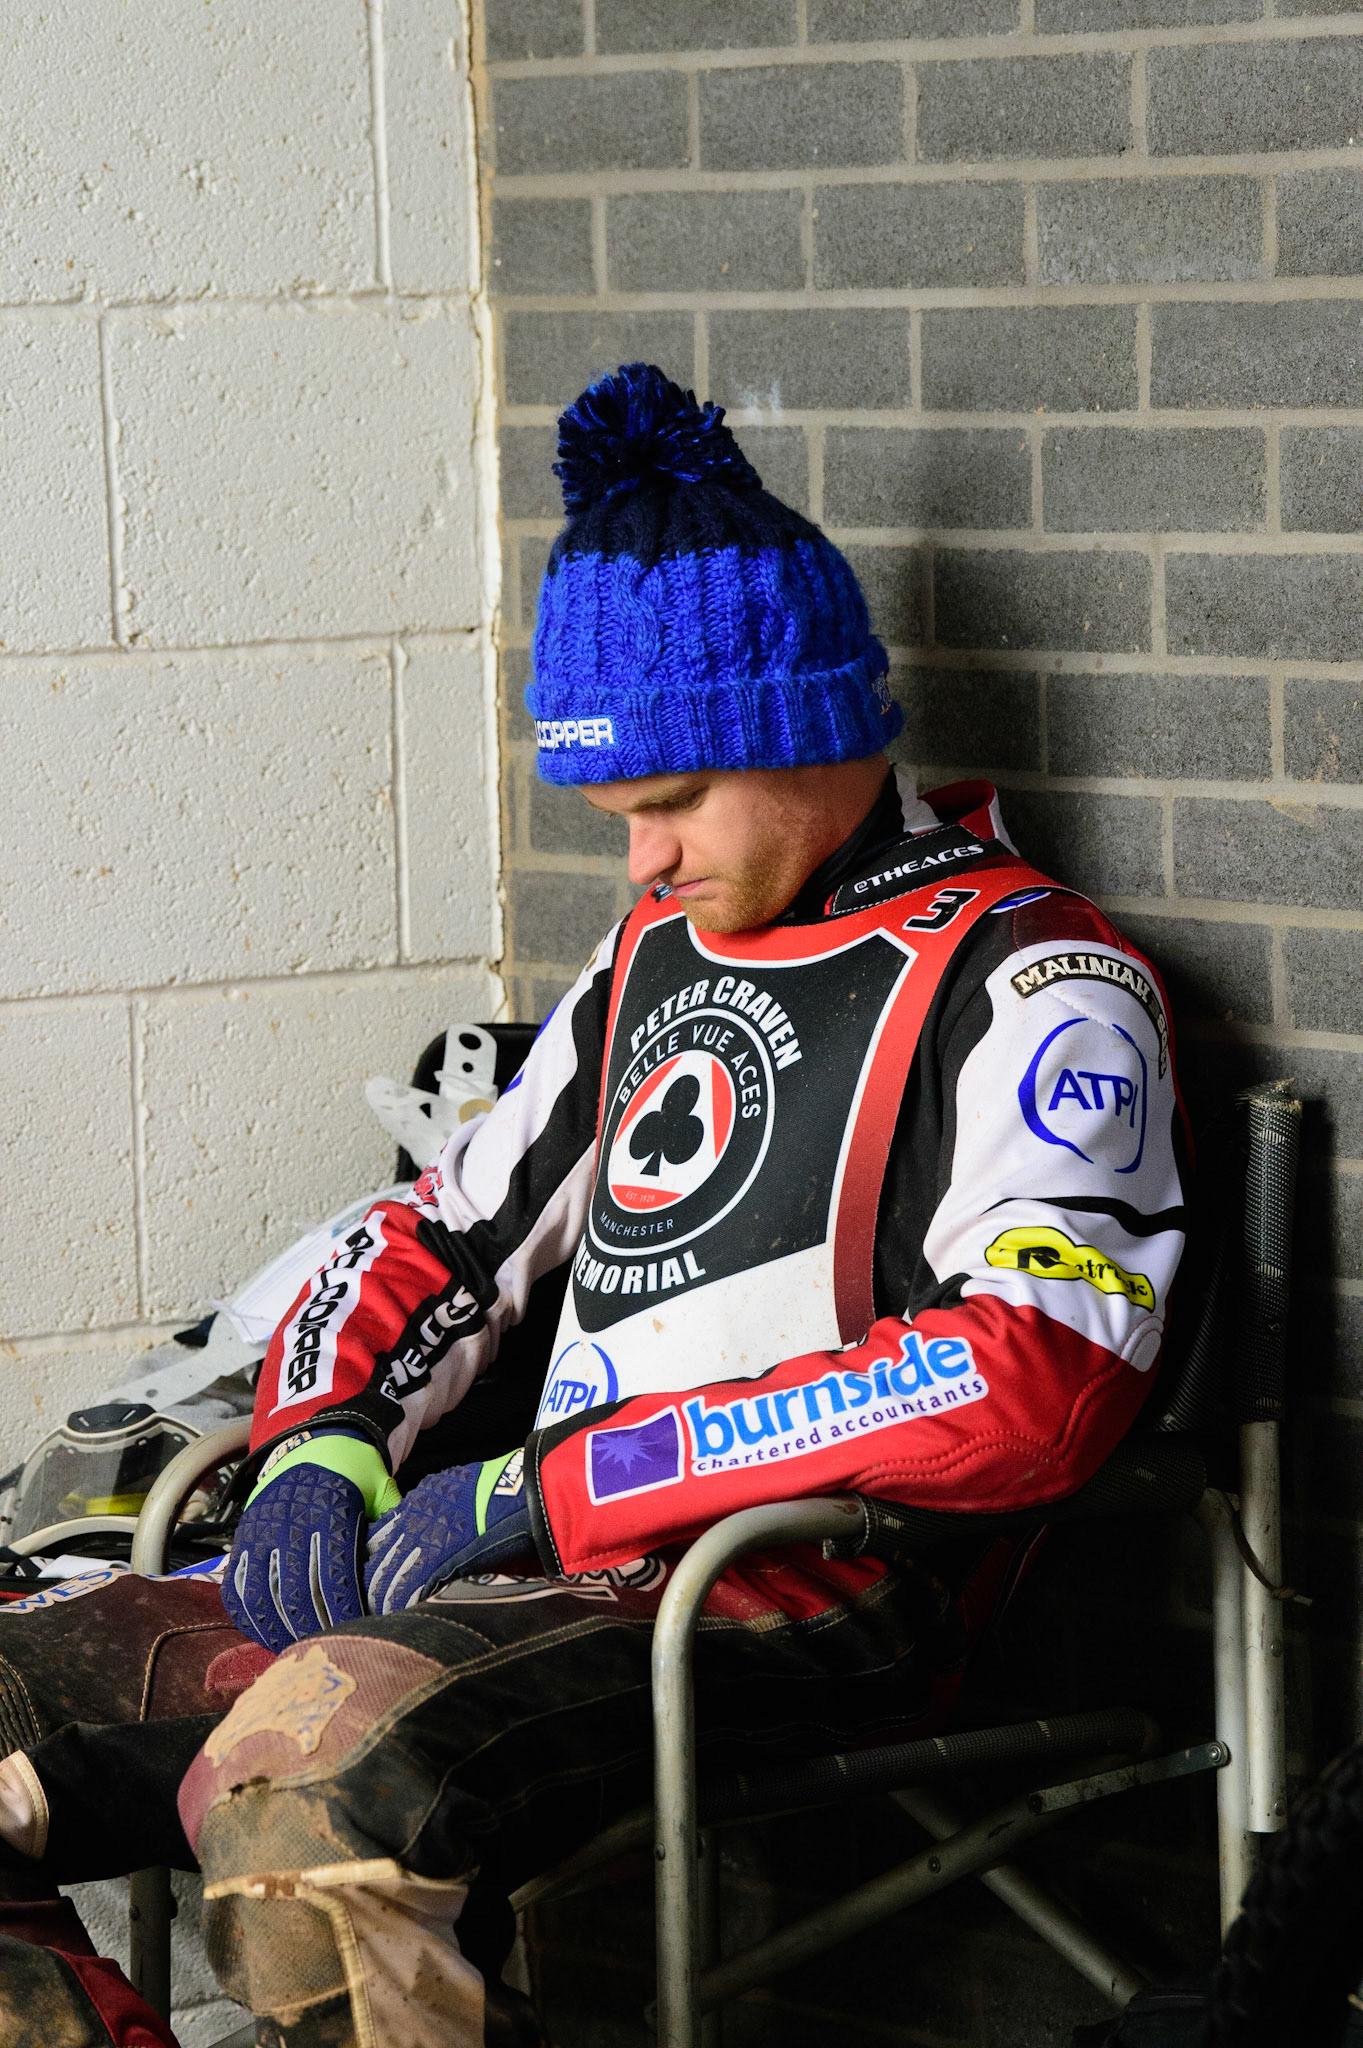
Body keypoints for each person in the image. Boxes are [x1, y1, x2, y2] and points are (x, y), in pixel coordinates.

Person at [0, 364, 1188, 2048]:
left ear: (809, 732)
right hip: (504, 1556)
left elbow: (1031, 1375)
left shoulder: (1038, 978)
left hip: (792, 1580)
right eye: (616, 818)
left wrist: (575, 1481)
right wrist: (322, 1438)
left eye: (669, 806)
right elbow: (439, 1234)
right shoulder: (650, 961)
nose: (637, 862)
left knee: (302, 1806)